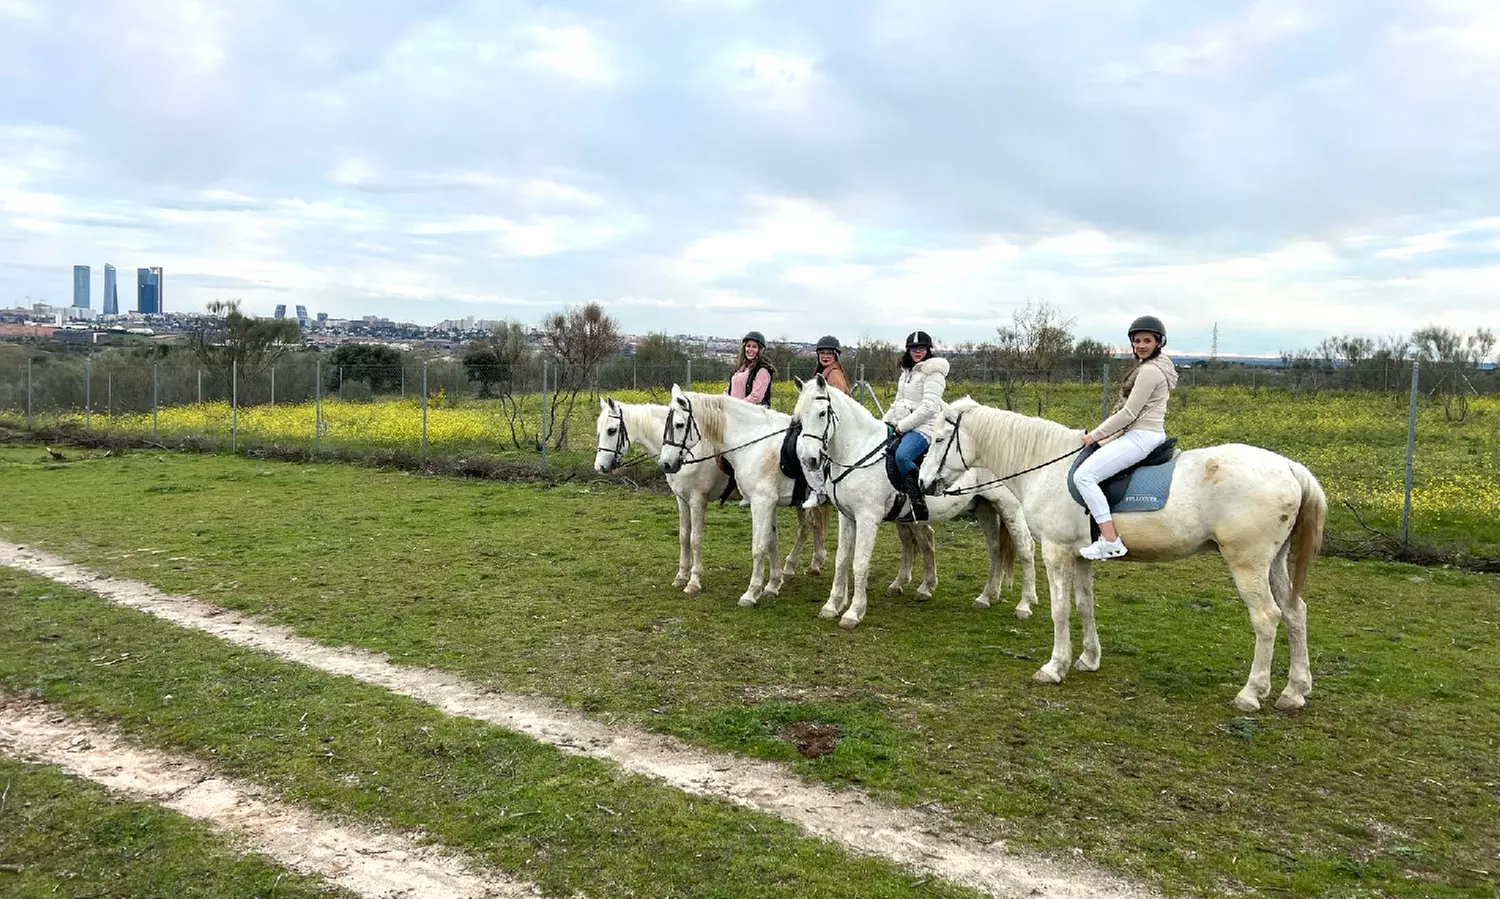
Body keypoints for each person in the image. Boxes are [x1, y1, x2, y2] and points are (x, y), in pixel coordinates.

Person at [1073, 315, 1179, 561]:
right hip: (1145, 433)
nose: (1141, 345)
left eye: (1147, 341)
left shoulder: (1150, 371)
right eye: (1137, 341)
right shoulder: (1156, 366)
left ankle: (1110, 541)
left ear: (1158, 343)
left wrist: (1096, 435)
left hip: (1141, 435)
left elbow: (1129, 413)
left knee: (1084, 476)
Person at [882, 330, 949, 520]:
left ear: (928, 350)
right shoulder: (906, 372)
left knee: (903, 456)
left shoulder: (934, 372)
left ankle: (917, 500)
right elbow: (898, 401)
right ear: (908, 350)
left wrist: (902, 426)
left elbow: (929, 408)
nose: (917, 351)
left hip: (924, 427)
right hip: (902, 424)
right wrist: (883, 422)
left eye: (921, 348)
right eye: (913, 348)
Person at [800, 335, 850, 508]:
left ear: (836, 355)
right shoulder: (822, 373)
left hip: (832, 424)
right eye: (822, 352)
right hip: (821, 420)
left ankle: (819, 489)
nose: (825, 356)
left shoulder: (833, 374)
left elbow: (837, 402)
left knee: (804, 447)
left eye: (829, 353)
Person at [726, 331, 774, 407]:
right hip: (735, 412)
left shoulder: (762, 370)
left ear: (760, 350)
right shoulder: (741, 367)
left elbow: (756, 396)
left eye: (754, 347)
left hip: (750, 414)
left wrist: (737, 406)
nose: (750, 349)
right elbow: (729, 389)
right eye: (748, 346)